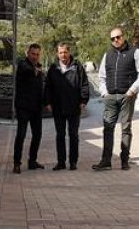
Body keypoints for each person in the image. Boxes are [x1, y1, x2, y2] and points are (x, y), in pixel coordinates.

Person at [93, 27, 139, 171]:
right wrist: (105, 93)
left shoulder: (135, 52)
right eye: (113, 38)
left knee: (126, 128)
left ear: (123, 36)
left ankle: (124, 161)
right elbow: (102, 76)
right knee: (108, 128)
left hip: (126, 96)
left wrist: (131, 91)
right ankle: (106, 161)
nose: (116, 40)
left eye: (118, 37)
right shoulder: (107, 55)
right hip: (110, 97)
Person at [44, 43, 90, 171]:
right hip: (58, 107)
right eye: (60, 53)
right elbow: (48, 87)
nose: (63, 55)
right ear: (57, 54)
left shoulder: (77, 67)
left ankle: (73, 162)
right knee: (60, 135)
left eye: (65, 52)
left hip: (74, 106)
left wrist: (83, 101)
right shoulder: (53, 68)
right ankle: (61, 162)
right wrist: (48, 102)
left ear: (69, 52)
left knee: (73, 135)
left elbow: (84, 84)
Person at [12, 43, 45, 173]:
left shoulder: (39, 68)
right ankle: (17, 163)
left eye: (37, 54)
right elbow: (26, 71)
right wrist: (35, 70)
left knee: (37, 135)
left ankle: (32, 161)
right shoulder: (22, 65)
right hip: (23, 107)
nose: (35, 57)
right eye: (33, 54)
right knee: (21, 135)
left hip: (36, 108)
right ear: (28, 53)